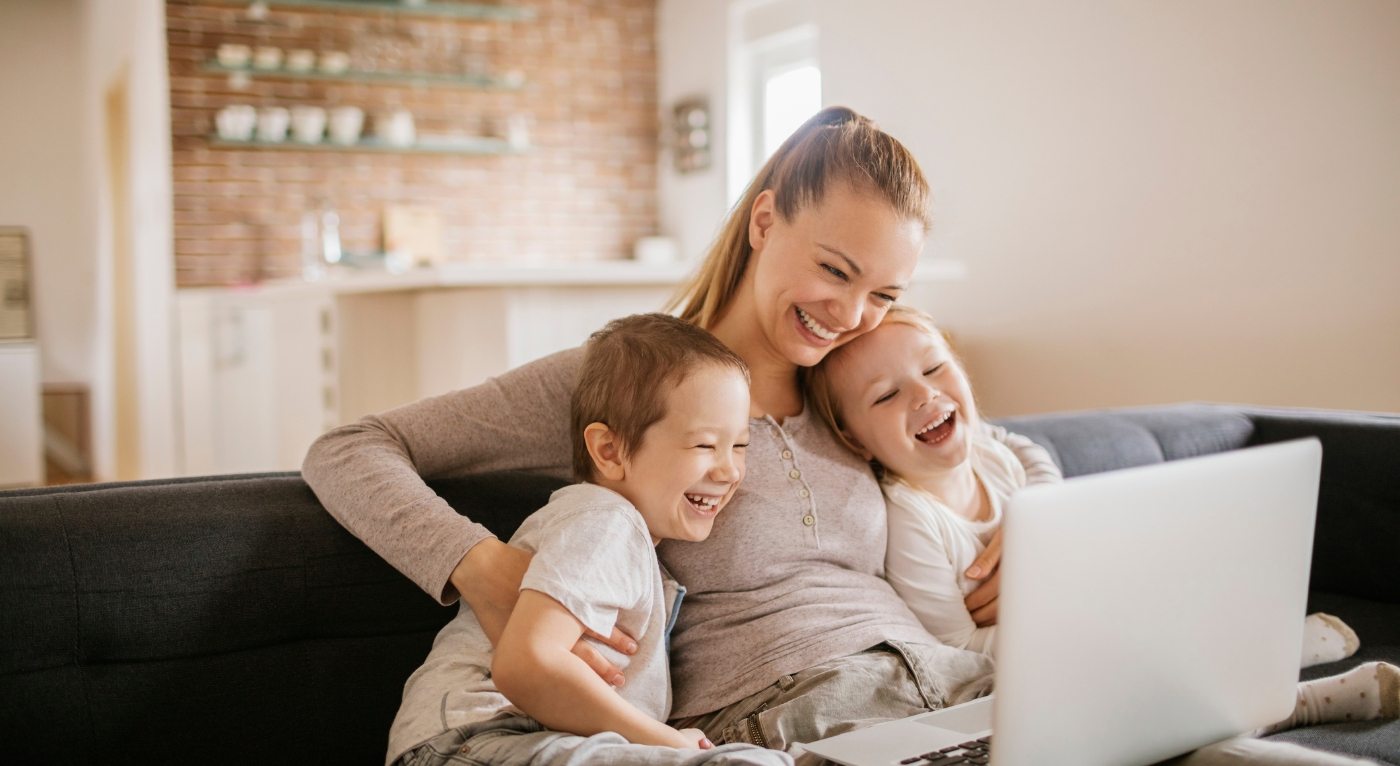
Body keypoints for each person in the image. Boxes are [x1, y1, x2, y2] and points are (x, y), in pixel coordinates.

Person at [306, 106, 1058, 761]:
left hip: (959, 687)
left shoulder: (849, 381)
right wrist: (486, 568)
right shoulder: (635, 379)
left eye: (884, 294)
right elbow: (349, 450)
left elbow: (1000, 444)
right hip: (792, 720)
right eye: (835, 270)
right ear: (765, 222)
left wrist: (1039, 523)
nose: (852, 315)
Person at [807, 304, 1400, 748]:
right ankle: (1297, 703)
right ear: (855, 438)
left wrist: (1035, 512)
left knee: (1177, 600)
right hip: (1041, 664)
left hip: (1100, 615)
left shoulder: (990, 450)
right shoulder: (912, 520)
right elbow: (953, 648)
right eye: (885, 396)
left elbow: (1027, 448)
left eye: (935, 367)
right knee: (1148, 684)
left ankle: (1275, 647)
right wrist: (1067, 630)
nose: (923, 394)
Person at [388, 313, 789, 766]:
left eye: (739, 446)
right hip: (480, 736)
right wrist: (661, 739)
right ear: (609, 451)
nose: (729, 470)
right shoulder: (605, 522)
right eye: (704, 446)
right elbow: (526, 665)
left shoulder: (630, 544)